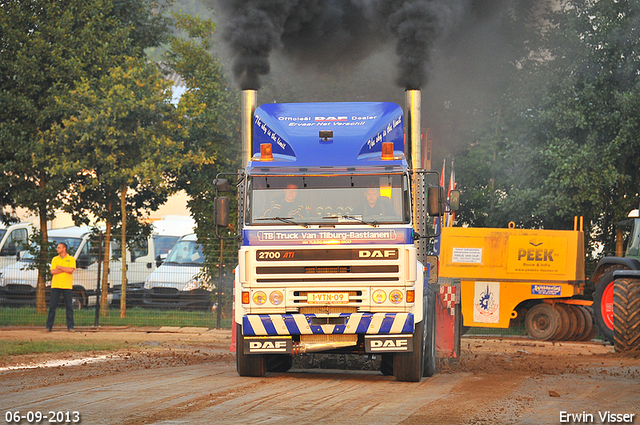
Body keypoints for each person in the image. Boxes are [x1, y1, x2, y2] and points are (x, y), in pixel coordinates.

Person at [46, 242, 76, 332]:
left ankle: (70, 327)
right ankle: (49, 327)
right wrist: (65, 269)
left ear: (64, 249)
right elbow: (53, 271)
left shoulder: (71, 259)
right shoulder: (55, 259)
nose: (57, 249)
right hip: (56, 285)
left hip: (67, 286)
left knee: (69, 307)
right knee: (52, 306)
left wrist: (60, 268)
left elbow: (71, 270)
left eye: (59, 248)